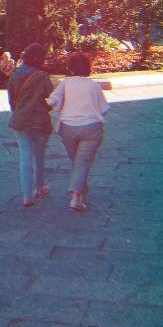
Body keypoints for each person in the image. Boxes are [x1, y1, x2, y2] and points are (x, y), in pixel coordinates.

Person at [47, 51, 110, 211]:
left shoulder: (65, 82)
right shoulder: (93, 85)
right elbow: (104, 109)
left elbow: (52, 100)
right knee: (82, 161)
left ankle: (80, 190)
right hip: (91, 128)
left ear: (71, 67)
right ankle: (76, 196)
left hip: (68, 128)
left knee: (77, 160)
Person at [7, 43, 55, 208]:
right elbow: (51, 99)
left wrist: (19, 111)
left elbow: (12, 100)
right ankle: (39, 187)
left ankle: (27, 196)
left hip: (20, 120)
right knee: (39, 156)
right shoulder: (43, 76)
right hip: (40, 120)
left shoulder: (14, 74)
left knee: (25, 157)